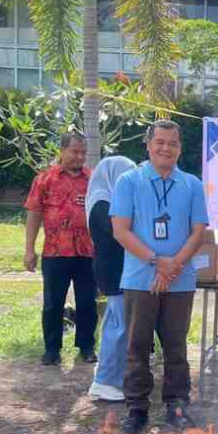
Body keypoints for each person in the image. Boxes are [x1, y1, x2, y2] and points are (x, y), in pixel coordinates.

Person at [110, 120, 208, 434]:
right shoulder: (129, 181)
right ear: (148, 145)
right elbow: (120, 231)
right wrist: (156, 262)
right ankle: (137, 409)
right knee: (137, 346)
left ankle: (177, 406)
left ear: (180, 148)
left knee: (176, 347)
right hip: (140, 279)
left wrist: (173, 265)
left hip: (180, 281)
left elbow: (198, 232)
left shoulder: (192, 184)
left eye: (173, 143)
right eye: (160, 142)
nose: (166, 148)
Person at [24, 132, 99, 366]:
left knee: (87, 302)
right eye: (75, 151)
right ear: (62, 150)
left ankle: (86, 346)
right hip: (55, 252)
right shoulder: (45, 179)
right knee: (52, 303)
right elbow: (34, 214)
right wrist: (29, 249)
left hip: (87, 252)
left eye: (83, 153)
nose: (79, 157)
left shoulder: (93, 179)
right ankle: (52, 349)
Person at [85, 155, 136, 401]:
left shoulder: (107, 198)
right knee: (117, 326)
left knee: (117, 324)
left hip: (117, 268)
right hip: (113, 270)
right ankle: (105, 381)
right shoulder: (102, 203)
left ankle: (111, 375)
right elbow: (120, 233)